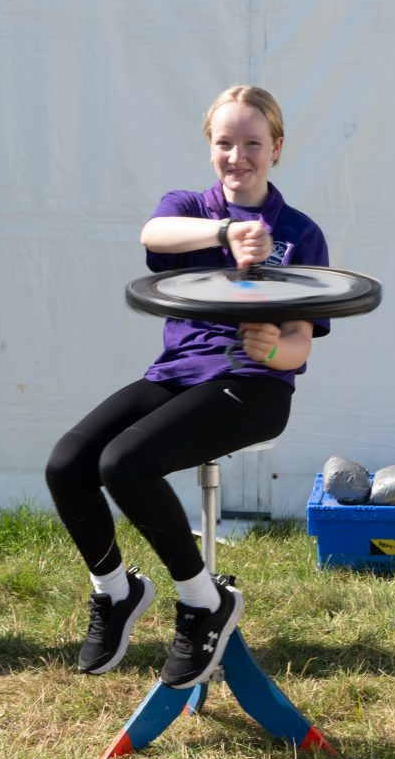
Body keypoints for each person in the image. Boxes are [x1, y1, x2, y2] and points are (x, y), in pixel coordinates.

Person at [45, 85, 330, 690]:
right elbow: (153, 235)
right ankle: (115, 592)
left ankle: (203, 602)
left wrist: (276, 349)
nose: (238, 156)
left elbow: (303, 337)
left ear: (276, 149)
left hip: (254, 387)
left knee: (125, 464)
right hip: (176, 374)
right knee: (68, 463)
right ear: (210, 148)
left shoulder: (301, 235)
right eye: (224, 143)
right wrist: (224, 233)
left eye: (253, 143)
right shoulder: (190, 209)